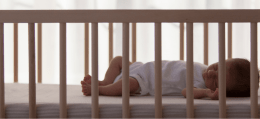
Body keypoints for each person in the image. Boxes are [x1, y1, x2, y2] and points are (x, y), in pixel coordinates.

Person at [81, 56, 257, 100]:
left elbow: (185, 92)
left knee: (127, 85)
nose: (211, 73)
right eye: (217, 67)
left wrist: (205, 93)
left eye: (216, 81)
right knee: (119, 60)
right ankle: (106, 81)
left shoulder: (200, 84)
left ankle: (100, 89)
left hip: (144, 81)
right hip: (141, 67)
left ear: (216, 90)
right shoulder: (204, 69)